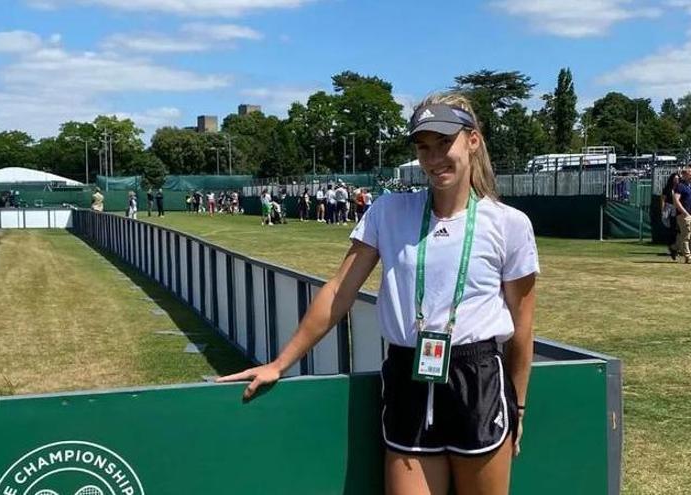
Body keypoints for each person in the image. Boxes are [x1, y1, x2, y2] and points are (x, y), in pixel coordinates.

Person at [219, 93, 538, 495]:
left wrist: (519, 406)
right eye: (424, 147)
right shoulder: (388, 212)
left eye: (444, 143)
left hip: (478, 379)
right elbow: (338, 291)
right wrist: (281, 362)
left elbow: (522, 323)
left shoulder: (509, 224)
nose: (434, 157)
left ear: (472, 141)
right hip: (408, 372)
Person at [673, 168, 691, 263]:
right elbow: (676, 200)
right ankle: (688, 256)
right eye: (689, 174)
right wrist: (684, 212)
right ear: (684, 175)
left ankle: (675, 247)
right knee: (686, 235)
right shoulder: (680, 186)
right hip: (684, 215)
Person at [660, 173, 680, 259]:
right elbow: (663, 199)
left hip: (675, 209)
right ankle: (670, 246)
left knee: (674, 229)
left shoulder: (680, 188)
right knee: (667, 227)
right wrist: (662, 209)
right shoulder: (667, 188)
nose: (676, 180)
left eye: (677, 178)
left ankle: (674, 248)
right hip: (668, 207)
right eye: (675, 178)